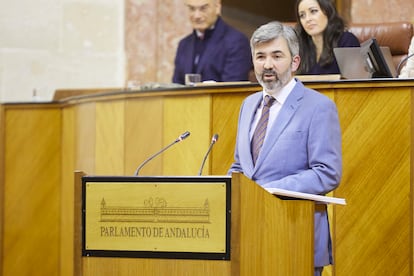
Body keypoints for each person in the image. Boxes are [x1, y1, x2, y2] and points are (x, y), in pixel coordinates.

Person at [228, 21, 342, 276]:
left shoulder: (318, 107)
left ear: (294, 62)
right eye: (260, 56)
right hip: (248, 238)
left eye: (276, 56)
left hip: (295, 235)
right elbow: (240, 166)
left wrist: (268, 192)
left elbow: (327, 172)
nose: (267, 64)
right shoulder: (248, 105)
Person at [172, 0, 253, 84]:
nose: (197, 16)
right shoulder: (184, 44)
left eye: (203, 8)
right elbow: (177, 86)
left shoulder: (236, 41)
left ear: (217, 7)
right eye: (192, 9)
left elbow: (232, 89)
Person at [295, 0, 360, 75]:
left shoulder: (347, 40)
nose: (308, 19)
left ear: (328, 12)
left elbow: (355, 83)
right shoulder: (300, 45)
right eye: (302, 15)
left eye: (313, 11)